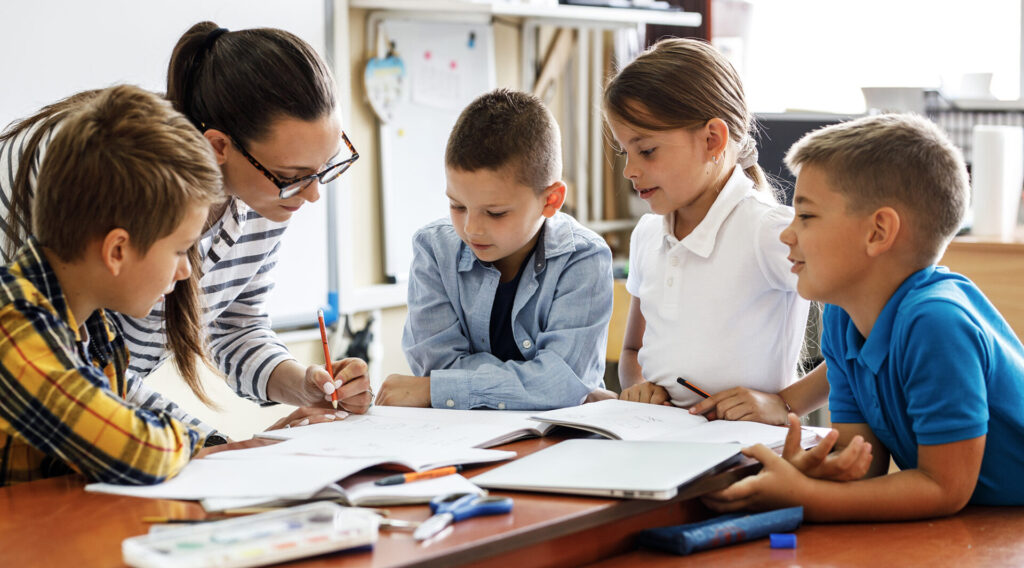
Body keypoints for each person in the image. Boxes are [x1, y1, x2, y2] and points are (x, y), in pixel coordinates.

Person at [0, 22, 370, 443]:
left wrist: (300, 383)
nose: (312, 195)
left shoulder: (266, 191)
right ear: (218, 147)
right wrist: (216, 446)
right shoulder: (99, 170)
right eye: (293, 176)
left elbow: (232, 326)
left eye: (325, 168)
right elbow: (76, 376)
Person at [704, 113, 1024, 520]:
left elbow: (944, 488)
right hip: (984, 527)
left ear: (877, 232)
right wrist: (812, 473)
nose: (788, 234)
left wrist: (804, 496)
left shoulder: (937, 323)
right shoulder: (842, 318)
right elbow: (864, 463)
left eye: (806, 216)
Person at [0, 85, 227, 485]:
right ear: (117, 250)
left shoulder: (96, 327)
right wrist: (194, 440)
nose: (185, 271)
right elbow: (137, 450)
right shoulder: (12, 329)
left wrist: (219, 446)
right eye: (179, 251)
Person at [603, 37, 822, 424]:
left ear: (712, 140)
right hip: (661, 440)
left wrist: (787, 404)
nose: (630, 171)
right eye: (625, 153)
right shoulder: (647, 234)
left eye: (647, 150)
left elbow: (868, 335)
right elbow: (634, 353)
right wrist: (638, 386)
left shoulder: (770, 231)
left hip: (749, 448)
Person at [376, 89, 613, 410]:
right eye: (457, 205)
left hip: (560, 444)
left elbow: (562, 382)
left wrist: (439, 389)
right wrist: (540, 386)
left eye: (496, 212)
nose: (472, 228)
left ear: (551, 200)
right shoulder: (433, 249)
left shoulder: (584, 257)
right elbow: (436, 367)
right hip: (457, 438)